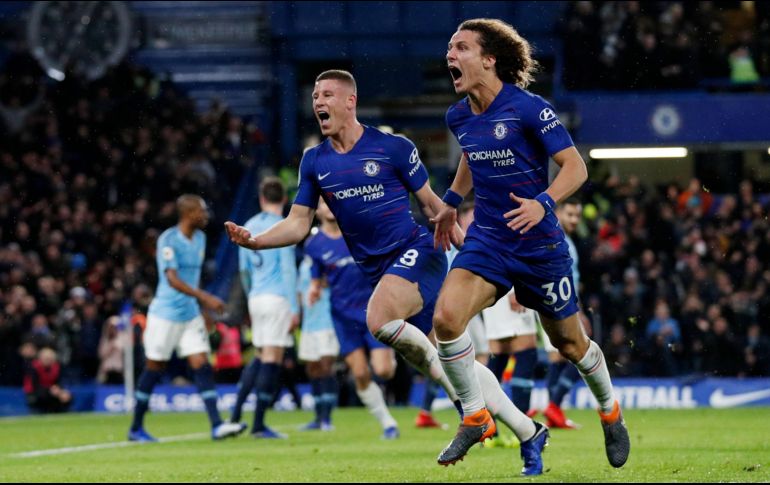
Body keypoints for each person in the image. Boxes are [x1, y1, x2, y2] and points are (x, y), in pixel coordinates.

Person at [225, 70, 530, 454]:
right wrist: (257, 242)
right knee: (452, 361)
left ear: (350, 101)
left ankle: (473, 414)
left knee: (379, 318)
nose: (318, 102)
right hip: (382, 273)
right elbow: (298, 223)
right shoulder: (314, 161)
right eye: (315, 96)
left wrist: (475, 255)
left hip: (418, 253)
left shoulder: (392, 147)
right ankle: (528, 431)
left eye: (327, 94)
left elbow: (433, 205)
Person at [431, 18, 630, 472]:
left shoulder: (528, 108)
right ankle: (475, 415)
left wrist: (544, 203)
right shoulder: (458, 116)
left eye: (461, 47)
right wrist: (451, 202)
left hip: (538, 246)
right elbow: (472, 155)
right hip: (489, 238)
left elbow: (575, 167)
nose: (450, 55)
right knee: (446, 319)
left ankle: (610, 410)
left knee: (570, 344)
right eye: (449, 48)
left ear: (489, 59)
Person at [128, 195, 243, 442]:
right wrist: (205, 298)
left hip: (189, 314)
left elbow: (191, 279)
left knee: (202, 363)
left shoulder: (200, 238)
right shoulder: (168, 239)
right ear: (189, 213)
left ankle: (217, 425)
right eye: (202, 211)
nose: (206, 215)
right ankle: (136, 427)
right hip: (165, 314)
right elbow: (172, 279)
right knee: (154, 367)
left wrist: (200, 307)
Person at [305, 198, 399, 439]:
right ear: (317, 210)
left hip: (373, 310)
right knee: (359, 374)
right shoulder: (314, 244)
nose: (328, 207)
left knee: (384, 370)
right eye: (323, 203)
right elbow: (316, 278)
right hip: (342, 316)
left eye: (331, 201)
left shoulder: (359, 232)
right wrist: (314, 290)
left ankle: (392, 356)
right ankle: (388, 423)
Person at [230, 177, 300, 439]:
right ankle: (258, 425)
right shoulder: (282, 226)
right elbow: (287, 269)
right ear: (284, 199)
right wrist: (294, 307)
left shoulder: (248, 225)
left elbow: (244, 270)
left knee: (260, 355)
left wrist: (252, 296)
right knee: (272, 357)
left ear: (261, 199)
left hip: (256, 297)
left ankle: (236, 415)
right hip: (277, 297)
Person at [533, 197, 587, 429]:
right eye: (570, 214)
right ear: (559, 213)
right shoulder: (553, 239)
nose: (574, 220)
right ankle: (554, 406)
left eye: (577, 216)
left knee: (559, 357)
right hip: (556, 303)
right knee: (581, 353)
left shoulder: (567, 241)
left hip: (562, 303)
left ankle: (553, 410)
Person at [296, 224, 339, 432]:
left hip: (326, 321)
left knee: (326, 366)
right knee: (312, 368)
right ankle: (317, 416)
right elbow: (300, 293)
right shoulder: (304, 266)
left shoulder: (329, 263)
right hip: (309, 324)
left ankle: (327, 417)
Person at [23, 347, 72, 413]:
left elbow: (59, 382)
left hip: (53, 391)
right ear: (40, 358)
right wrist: (50, 390)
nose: (48, 360)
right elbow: (34, 386)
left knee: (67, 396)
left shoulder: (57, 367)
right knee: (44, 395)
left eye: (50, 359)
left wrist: (61, 391)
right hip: (36, 392)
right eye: (46, 358)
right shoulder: (33, 367)